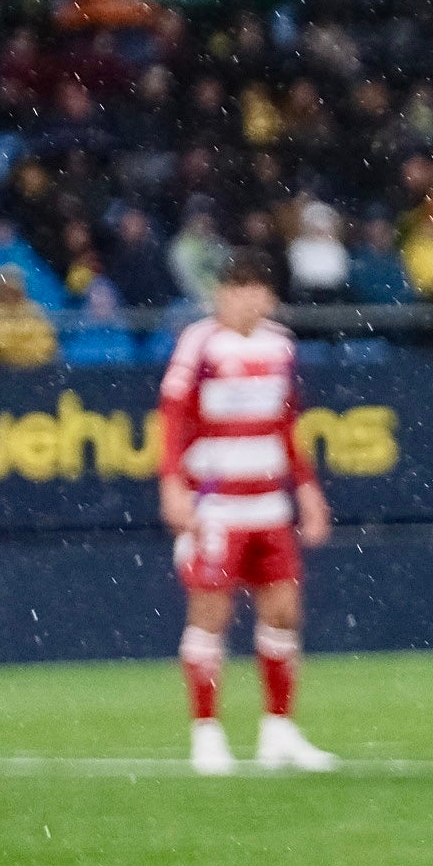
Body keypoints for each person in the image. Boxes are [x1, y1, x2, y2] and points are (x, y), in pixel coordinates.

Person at [159, 252, 335, 774]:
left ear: (270, 296)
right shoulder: (200, 342)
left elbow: (286, 423)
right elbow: (172, 416)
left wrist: (306, 488)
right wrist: (172, 484)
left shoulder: (280, 345)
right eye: (236, 289)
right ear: (222, 295)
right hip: (216, 504)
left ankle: (277, 731)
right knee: (211, 615)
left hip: (268, 504)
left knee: (283, 611)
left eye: (255, 289)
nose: (244, 298)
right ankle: (206, 734)